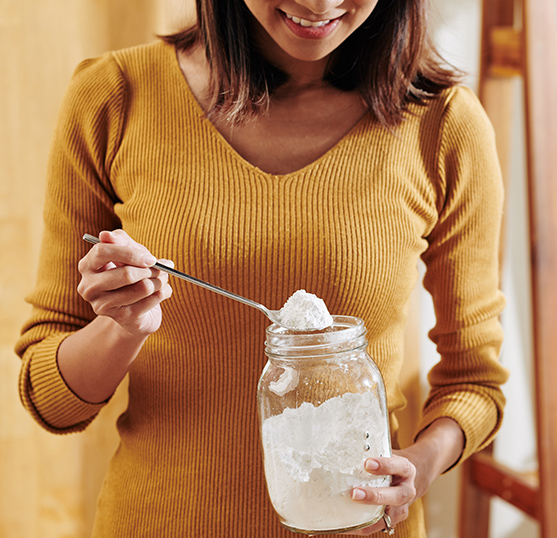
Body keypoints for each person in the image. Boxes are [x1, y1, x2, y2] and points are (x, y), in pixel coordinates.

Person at [15, 0, 509, 536]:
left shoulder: (445, 125)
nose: (320, 5)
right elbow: (53, 403)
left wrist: (422, 461)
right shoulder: (114, 97)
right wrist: (121, 327)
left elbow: (474, 380)